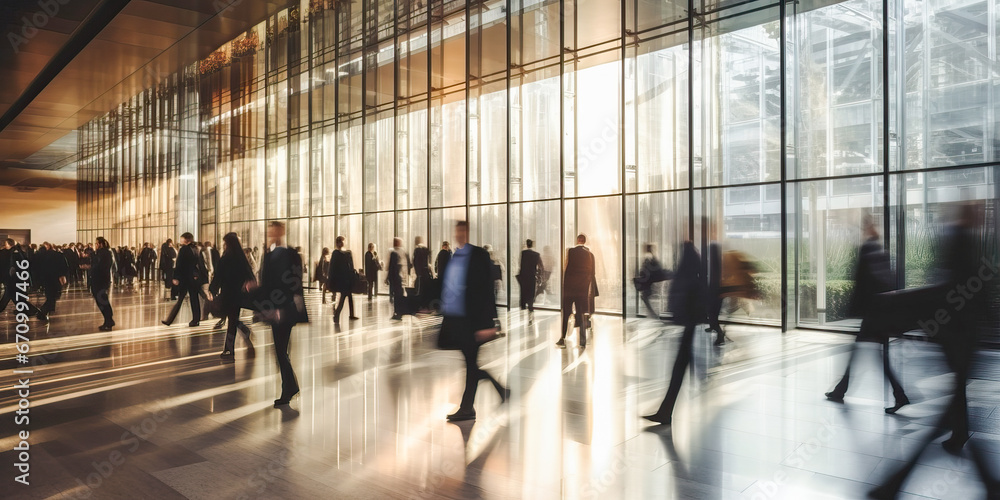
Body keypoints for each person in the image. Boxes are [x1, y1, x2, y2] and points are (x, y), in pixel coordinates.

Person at [869, 203, 998, 499]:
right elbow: (974, 290)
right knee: (951, 409)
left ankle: (896, 484)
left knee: (941, 419)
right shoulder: (968, 242)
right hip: (964, 338)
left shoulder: (959, 240)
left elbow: (950, 291)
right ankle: (981, 472)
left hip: (958, 337)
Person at [825, 215, 909, 414]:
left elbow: (861, 283)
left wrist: (852, 308)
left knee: (870, 356)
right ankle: (841, 390)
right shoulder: (881, 250)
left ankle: (899, 394)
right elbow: (887, 281)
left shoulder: (867, 249)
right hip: (880, 311)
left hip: (873, 313)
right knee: (873, 355)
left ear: (866, 229)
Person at [438, 221, 508, 422]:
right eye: (457, 232)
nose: (459, 235)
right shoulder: (456, 256)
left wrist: (490, 323)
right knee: (471, 364)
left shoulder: (479, 255)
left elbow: (487, 291)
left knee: (471, 364)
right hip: (458, 320)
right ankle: (501, 391)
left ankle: (468, 407)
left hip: (474, 321)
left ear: (467, 233)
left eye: (462, 231)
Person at [643, 241, 706, 426]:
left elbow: (682, 300)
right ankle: (665, 411)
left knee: (680, 367)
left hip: (689, 327)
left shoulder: (689, 278)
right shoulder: (696, 275)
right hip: (690, 328)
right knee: (680, 367)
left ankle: (665, 412)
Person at [250, 221, 307, 407]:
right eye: (269, 232)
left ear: (281, 232)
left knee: (281, 350)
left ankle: (290, 388)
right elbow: (269, 283)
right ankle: (289, 387)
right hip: (275, 308)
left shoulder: (289, 254)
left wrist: (279, 307)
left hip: (284, 310)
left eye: (273, 232)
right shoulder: (270, 255)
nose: (271, 235)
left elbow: (293, 282)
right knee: (281, 351)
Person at [210, 232, 255, 360]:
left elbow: (218, 276)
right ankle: (239, 336)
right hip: (239, 294)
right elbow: (250, 275)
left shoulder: (225, 259)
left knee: (232, 320)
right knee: (233, 319)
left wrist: (213, 289)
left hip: (227, 293)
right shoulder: (241, 259)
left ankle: (229, 349)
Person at [558, 234, 597, 349]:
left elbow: (566, 269)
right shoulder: (590, 255)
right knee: (582, 313)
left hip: (569, 289)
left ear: (577, 240)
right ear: (584, 241)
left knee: (566, 313)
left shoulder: (570, 251)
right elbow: (591, 274)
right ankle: (582, 341)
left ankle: (562, 338)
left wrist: (564, 288)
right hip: (582, 291)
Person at [162, 233, 202, 327]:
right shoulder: (196, 249)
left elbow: (179, 264)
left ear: (186, 240)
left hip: (185, 278)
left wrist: (176, 277)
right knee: (194, 299)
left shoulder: (184, 249)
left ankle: (170, 320)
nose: (180, 241)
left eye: (182, 239)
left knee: (180, 300)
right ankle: (196, 320)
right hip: (193, 278)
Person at [0, 239, 40, 315]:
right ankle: (31, 310)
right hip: (16, 279)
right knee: (14, 297)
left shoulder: (13, 253)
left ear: (9, 244)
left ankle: (33, 311)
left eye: (6, 244)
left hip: (12, 279)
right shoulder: (18, 252)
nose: (5, 245)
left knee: (9, 296)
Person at [327, 236, 358, 323]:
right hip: (343, 279)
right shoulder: (339, 253)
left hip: (345, 279)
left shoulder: (342, 253)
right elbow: (333, 268)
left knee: (348, 296)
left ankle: (345, 315)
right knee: (344, 297)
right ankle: (337, 315)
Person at [36, 242, 68, 322]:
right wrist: (63, 276)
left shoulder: (41, 256)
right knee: (54, 295)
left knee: (50, 295)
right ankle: (43, 311)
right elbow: (64, 266)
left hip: (47, 278)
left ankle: (47, 310)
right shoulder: (58, 255)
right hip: (55, 278)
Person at [636, 243, 670, 319]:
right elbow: (656, 267)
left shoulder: (647, 258)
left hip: (649, 281)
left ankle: (653, 314)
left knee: (646, 297)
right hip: (649, 281)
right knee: (646, 297)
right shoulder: (649, 258)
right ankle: (653, 314)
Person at [90, 237, 115, 331]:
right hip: (100, 280)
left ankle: (109, 320)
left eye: (96, 243)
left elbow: (100, 266)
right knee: (101, 300)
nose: (95, 245)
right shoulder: (104, 253)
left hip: (101, 280)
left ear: (101, 244)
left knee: (102, 300)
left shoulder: (104, 253)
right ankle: (107, 320)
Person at [517, 239, 543, 313]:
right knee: (531, 291)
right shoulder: (536, 254)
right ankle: (530, 305)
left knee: (523, 290)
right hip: (532, 275)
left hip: (524, 275)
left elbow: (520, 264)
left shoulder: (523, 253)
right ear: (532, 245)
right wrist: (539, 274)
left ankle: (523, 305)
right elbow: (540, 265)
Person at [388, 238, 410, 320]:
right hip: (399, 278)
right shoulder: (403, 252)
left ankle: (398, 312)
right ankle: (399, 312)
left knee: (397, 296)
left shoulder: (394, 253)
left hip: (396, 278)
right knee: (398, 295)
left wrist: (388, 277)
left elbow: (391, 267)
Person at [412, 236, 433, 310]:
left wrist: (417, 272)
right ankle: (426, 304)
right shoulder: (425, 249)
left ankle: (420, 305)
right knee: (426, 289)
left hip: (420, 273)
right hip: (426, 272)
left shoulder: (417, 249)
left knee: (419, 289)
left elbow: (415, 262)